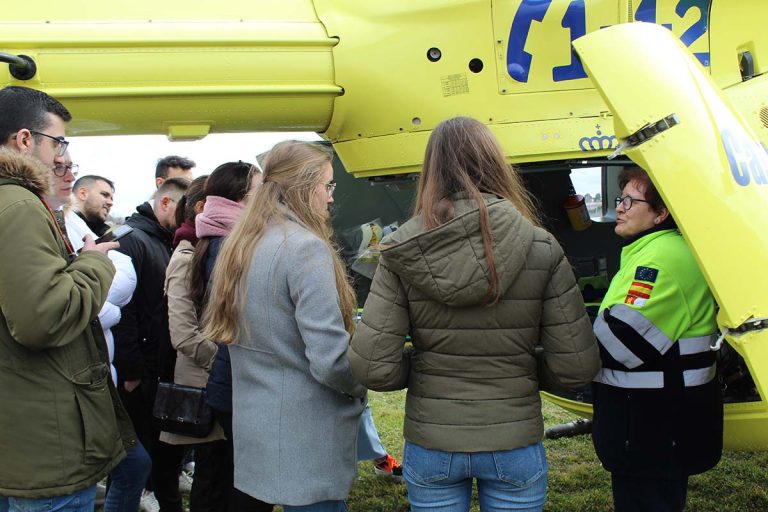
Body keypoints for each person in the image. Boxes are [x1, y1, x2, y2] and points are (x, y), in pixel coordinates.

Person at [348, 116, 601, 512]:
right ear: (496, 164)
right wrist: (521, 369)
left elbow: (374, 368)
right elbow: (576, 367)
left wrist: (423, 366)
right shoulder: (542, 246)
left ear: (431, 170)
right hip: (513, 438)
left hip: (433, 441)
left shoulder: (401, 250)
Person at [202, 141, 366, 511]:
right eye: (328, 185)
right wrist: (363, 382)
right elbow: (330, 360)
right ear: (304, 187)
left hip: (261, 430)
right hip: (307, 436)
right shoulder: (305, 248)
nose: (331, 197)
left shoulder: (243, 243)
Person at [0, 85, 135, 511]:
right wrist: (93, 263)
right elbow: (44, 319)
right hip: (46, 440)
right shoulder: (19, 206)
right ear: (25, 140)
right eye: (58, 142)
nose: (62, 156)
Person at [591, 166, 722, 511]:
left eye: (630, 201)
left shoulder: (661, 260)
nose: (619, 208)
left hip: (651, 429)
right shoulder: (655, 251)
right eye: (620, 199)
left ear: (661, 213)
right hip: (655, 426)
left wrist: (565, 347)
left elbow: (624, 341)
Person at [189, 162, 273, 512]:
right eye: (260, 191)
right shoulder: (231, 243)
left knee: (230, 474)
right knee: (250, 486)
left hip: (230, 381)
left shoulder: (216, 236)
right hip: (240, 381)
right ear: (241, 197)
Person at [113, 177, 190, 512]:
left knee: (161, 461)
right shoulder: (131, 240)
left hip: (158, 369)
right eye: (183, 209)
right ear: (165, 203)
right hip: (139, 375)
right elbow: (122, 311)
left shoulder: (161, 239)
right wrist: (131, 371)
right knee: (135, 463)